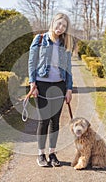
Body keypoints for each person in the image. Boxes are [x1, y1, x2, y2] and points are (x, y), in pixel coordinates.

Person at [28, 13, 73, 167]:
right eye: (59, 24)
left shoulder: (65, 43)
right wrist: (32, 84)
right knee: (44, 120)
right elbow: (31, 63)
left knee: (55, 121)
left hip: (59, 85)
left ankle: (52, 153)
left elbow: (68, 69)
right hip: (42, 85)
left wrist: (69, 89)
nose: (60, 28)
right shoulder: (40, 39)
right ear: (53, 22)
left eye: (64, 26)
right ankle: (41, 154)